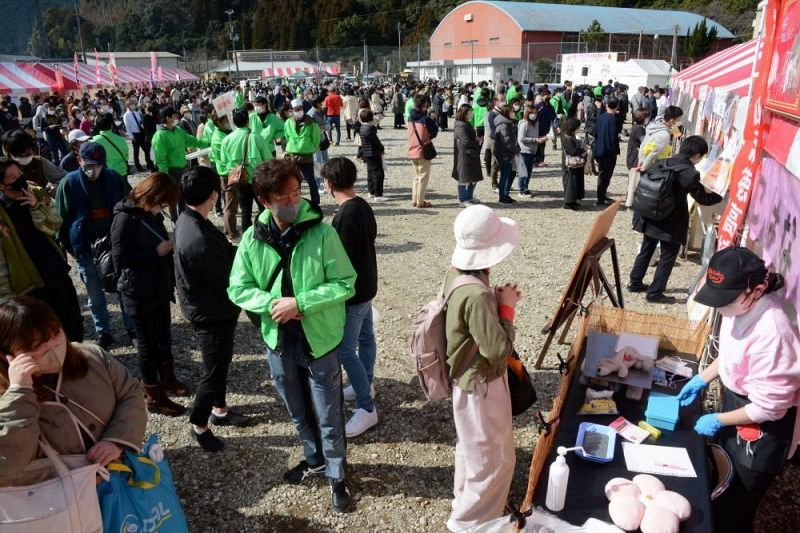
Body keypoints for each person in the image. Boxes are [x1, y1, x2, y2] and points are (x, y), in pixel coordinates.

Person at [227, 159, 357, 513]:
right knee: (297, 409)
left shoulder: (322, 233)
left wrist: (301, 303)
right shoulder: (253, 239)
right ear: (264, 200)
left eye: (296, 192)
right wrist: (272, 304)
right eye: (282, 195)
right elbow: (238, 288)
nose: (292, 200)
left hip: (320, 340)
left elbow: (345, 283)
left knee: (328, 412)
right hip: (278, 341)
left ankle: (336, 474)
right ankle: (313, 458)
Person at [677, 247, 799, 533]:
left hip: (763, 429)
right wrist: (702, 378)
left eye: (724, 299)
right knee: (720, 476)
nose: (719, 307)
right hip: (736, 404)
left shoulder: (774, 333)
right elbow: (731, 354)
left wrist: (717, 419)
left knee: (737, 504)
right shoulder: (738, 307)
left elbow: (770, 407)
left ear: (756, 291)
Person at [0, 296, 146, 484]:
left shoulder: (92, 356)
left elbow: (130, 393)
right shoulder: (7, 395)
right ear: (7, 356)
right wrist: (20, 392)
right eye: (36, 346)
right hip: (65, 496)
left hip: (121, 472)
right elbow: (10, 462)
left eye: (55, 334)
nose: (52, 347)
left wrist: (118, 440)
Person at [444, 204, 519, 531]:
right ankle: (473, 523)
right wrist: (507, 309)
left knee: (473, 452)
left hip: (466, 382)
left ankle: (465, 505)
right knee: (493, 459)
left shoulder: (456, 274)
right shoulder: (477, 294)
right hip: (481, 385)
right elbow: (497, 352)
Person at [175, 167, 249, 452]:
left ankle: (219, 409)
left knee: (221, 361)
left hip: (205, 307)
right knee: (214, 369)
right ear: (213, 195)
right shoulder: (198, 238)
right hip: (210, 312)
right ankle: (198, 423)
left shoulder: (188, 219)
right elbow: (225, 278)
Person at [110, 172, 186, 416]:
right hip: (138, 292)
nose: (163, 207)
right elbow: (119, 260)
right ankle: (153, 395)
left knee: (164, 336)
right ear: (153, 195)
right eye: (163, 201)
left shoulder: (149, 212)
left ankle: (168, 379)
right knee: (147, 345)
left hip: (158, 287)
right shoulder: (124, 218)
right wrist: (156, 252)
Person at [320, 157, 379, 438]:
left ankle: (367, 407)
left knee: (344, 349)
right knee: (366, 338)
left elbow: (339, 260)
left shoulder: (344, 216)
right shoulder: (363, 205)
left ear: (329, 183)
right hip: (368, 284)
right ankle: (364, 384)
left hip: (354, 292)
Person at [56, 142, 135, 348]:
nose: (93, 169)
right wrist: (69, 247)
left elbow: (130, 204)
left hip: (114, 243)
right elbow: (60, 219)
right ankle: (103, 331)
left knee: (123, 286)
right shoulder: (69, 182)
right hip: (85, 246)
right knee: (94, 293)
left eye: (98, 165)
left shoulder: (114, 178)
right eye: (89, 164)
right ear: (79, 161)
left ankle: (131, 327)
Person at [628, 136, 723, 303]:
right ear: (697, 155)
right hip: (671, 222)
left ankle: (635, 282)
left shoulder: (662, 162)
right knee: (667, 256)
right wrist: (721, 194)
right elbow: (703, 199)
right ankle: (655, 293)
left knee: (647, 248)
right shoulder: (690, 173)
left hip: (651, 214)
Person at [0, 160, 83, 342]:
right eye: (13, 178)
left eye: (20, 173)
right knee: (45, 331)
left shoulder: (35, 190)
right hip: (29, 282)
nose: (20, 179)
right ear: (2, 185)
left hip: (54, 269)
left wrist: (36, 206)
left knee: (72, 319)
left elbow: (55, 224)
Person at [152, 107, 209, 222]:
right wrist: (165, 176)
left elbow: (191, 140)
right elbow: (161, 159)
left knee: (183, 196)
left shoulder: (178, 130)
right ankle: (175, 221)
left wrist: (206, 142)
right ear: (167, 118)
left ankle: (184, 219)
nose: (176, 118)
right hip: (171, 171)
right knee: (172, 198)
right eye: (174, 116)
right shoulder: (159, 136)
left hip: (183, 168)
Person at [219, 109, 271, 234]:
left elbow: (224, 162)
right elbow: (268, 159)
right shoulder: (257, 138)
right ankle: (264, 231)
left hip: (240, 179)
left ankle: (247, 236)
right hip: (258, 179)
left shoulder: (227, 140)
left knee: (245, 211)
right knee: (264, 208)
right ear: (248, 121)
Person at [283, 98, 321, 206]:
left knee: (310, 180)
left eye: (300, 108)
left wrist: (310, 148)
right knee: (293, 182)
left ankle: (315, 202)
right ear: (292, 110)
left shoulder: (311, 122)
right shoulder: (288, 122)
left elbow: (316, 138)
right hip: (292, 155)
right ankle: (296, 202)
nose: (298, 111)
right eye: (295, 109)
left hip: (306, 155)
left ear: (303, 109)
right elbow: (286, 136)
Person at [407, 94, 439, 208]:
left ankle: (414, 199)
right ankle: (420, 201)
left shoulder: (410, 117)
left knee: (416, 176)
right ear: (424, 105)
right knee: (423, 177)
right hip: (423, 150)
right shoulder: (425, 119)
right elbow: (435, 131)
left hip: (412, 149)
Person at [452, 104, 483, 207]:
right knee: (464, 178)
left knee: (472, 177)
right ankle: (463, 199)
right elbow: (466, 141)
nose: (472, 113)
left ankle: (469, 196)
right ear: (465, 113)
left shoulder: (466, 123)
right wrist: (477, 142)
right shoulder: (460, 125)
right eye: (470, 111)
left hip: (471, 154)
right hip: (465, 155)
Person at [638, 105, 683, 172]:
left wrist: (640, 159)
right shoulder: (664, 135)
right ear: (672, 121)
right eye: (679, 120)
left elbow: (643, 144)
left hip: (643, 158)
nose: (680, 122)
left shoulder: (656, 124)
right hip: (652, 167)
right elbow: (653, 154)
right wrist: (643, 168)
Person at [592, 97, 620, 205]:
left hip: (599, 150)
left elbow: (594, 133)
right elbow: (613, 137)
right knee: (606, 176)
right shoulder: (613, 119)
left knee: (602, 174)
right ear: (616, 106)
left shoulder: (601, 117)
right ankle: (600, 198)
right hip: (609, 152)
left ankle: (602, 195)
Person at [492, 104, 520, 205]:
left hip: (508, 153)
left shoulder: (508, 123)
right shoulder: (503, 125)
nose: (514, 113)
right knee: (504, 176)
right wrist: (516, 149)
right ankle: (502, 197)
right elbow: (507, 142)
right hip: (504, 154)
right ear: (507, 113)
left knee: (510, 174)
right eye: (512, 111)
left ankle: (505, 194)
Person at [625, 107, 650, 208]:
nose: (647, 119)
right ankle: (631, 203)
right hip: (636, 158)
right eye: (646, 117)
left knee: (632, 181)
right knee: (634, 182)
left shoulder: (636, 126)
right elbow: (644, 143)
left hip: (632, 156)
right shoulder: (639, 128)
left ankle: (630, 202)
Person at [92, 112, 130, 178]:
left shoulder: (93, 141)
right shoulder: (120, 139)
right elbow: (126, 156)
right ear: (111, 125)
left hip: (105, 174)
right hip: (121, 171)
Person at [517, 105, 544, 196]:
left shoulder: (536, 123)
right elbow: (521, 138)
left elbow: (535, 135)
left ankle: (526, 187)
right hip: (523, 150)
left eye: (535, 113)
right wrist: (534, 140)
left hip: (533, 150)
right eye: (532, 113)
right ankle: (521, 190)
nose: (534, 115)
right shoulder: (523, 123)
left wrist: (541, 139)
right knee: (523, 171)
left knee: (529, 171)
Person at [561, 117, 586, 210]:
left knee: (575, 183)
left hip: (574, 165)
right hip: (570, 166)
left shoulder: (570, 136)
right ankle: (568, 202)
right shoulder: (567, 138)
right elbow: (572, 151)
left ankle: (574, 200)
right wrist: (582, 150)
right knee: (571, 184)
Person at [308, 96, 331, 192]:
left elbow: (327, 125)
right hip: (315, 142)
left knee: (325, 161)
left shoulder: (321, 111)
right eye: (322, 102)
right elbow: (313, 130)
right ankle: (317, 185)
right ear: (317, 104)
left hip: (323, 140)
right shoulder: (310, 114)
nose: (324, 103)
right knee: (317, 163)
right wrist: (322, 127)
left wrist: (322, 126)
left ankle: (327, 183)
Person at [123, 99, 152, 172]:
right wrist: (131, 135)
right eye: (131, 104)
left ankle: (149, 163)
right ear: (128, 105)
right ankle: (138, 166)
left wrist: (144, 128)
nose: (133, 105)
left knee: (146, 149)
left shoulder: (136, 113)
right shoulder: (126, 115)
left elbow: (140, 122)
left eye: (133, 104)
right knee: (136, 151)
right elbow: (127, 126)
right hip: (134, 134)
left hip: (141, 132)